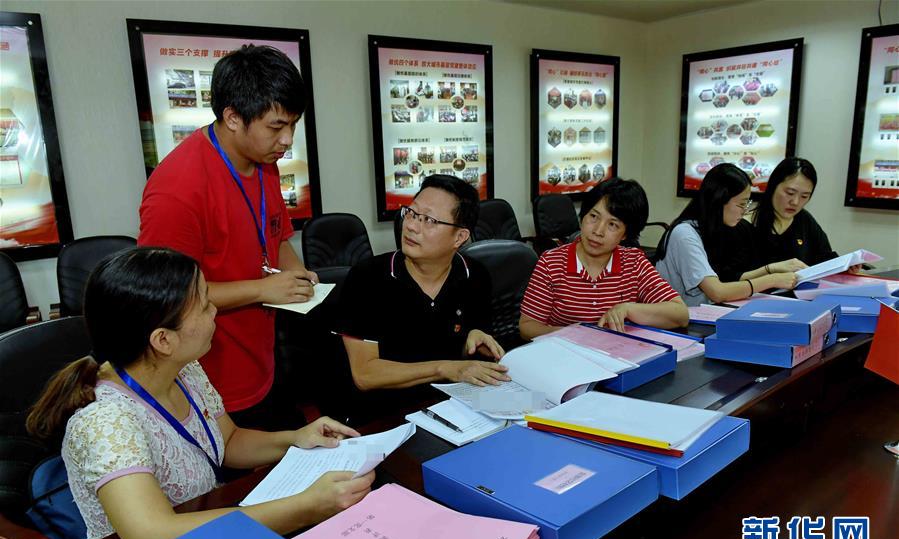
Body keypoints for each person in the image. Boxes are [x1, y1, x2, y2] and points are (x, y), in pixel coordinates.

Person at [26, 247, 373, 539]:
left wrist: (296, 438)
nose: (214, 312)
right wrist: (306, 507)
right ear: (163, 339)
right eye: (204, 304)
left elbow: (229, 442)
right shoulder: (106, 422)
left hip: (203, 529)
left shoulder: (183, 368)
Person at [138, 44, 317, 431]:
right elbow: (167, 296)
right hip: (207, 377)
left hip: (264, 359)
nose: (287, 140)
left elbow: (277, 238)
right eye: (276, 126)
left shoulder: (264, 162)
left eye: (293, 125)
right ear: (233, 117)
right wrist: (264, 290)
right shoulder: (178, 189)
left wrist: (297, 275)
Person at [338, 175, 509, 422]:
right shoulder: (368, 278)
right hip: (383, 416)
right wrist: (444, 368)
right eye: (411, 213)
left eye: (428, 220)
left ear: (460, 237)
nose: (411, 226)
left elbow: (455, 346)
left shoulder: (475, 275)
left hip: (453, 406)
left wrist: (473, 339)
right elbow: (365, 374)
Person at [519, 178, 688, 340]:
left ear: (625, 234)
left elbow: (680, 314)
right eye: (593, 216)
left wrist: (628, 309)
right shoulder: (551, 262)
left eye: (612, 225)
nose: (598, 231)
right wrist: (572, 334)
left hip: (617, 358)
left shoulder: (634, 263)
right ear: (582, 217)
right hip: (565, 358)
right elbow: (527, 326)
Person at [655, 163, 802, 307]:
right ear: (719, 201)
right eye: (741, 204)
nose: (744, 211)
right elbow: (717, 291)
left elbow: (728, 279)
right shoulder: (684, 234)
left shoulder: (716, 229)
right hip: (686, 322)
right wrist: (772, 279)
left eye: (747, 203)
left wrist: (771, 269)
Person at [752, 157, 855, 270]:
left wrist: (844, 265)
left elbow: (824, 257)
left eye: (804, 196)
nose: (795, 202)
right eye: (790, 193)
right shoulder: (747, 223)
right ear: (773, 186)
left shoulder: (805, 220)